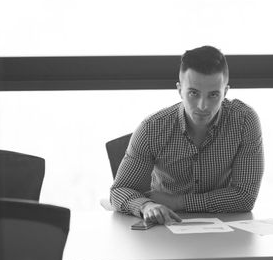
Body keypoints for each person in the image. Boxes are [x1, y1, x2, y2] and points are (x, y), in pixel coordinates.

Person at [110, 45, 264, 224]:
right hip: (165, 226)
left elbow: (245, 197)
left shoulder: (245, 121)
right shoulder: (151, 128)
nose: (202, 105)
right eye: (193, 93)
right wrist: (146, 206)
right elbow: (119, 190)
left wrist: (178, 202)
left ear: (225, 92)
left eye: (213, 95)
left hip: (223, 225)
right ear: (179, 90)